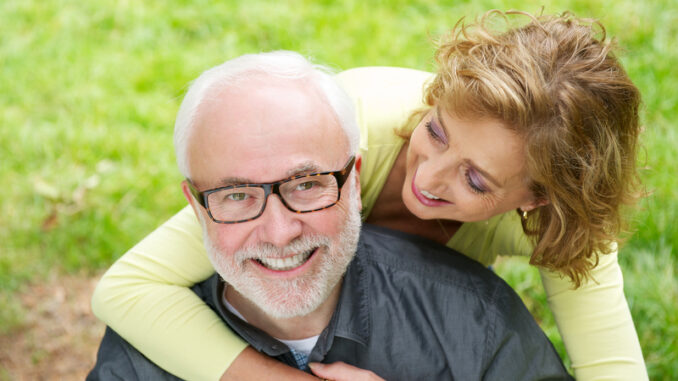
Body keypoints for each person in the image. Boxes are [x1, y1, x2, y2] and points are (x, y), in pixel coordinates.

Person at [91, 10, 647, 381]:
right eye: (436, 132)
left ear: (538, 199)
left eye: (475, 180)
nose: (427, 180)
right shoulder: (344, 123)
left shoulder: (561, 230)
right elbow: (130, 288)